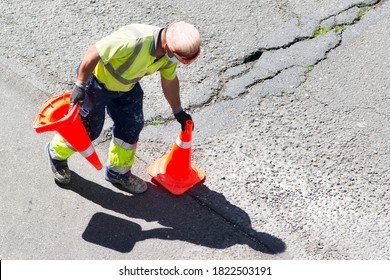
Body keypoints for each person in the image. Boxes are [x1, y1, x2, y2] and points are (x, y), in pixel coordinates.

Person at [47, 20, 201, 194]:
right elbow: (93, 52)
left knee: (131, 126)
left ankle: (118, 173)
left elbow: (169, 80)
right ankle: (56, 154)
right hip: (95, 83)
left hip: (127, 86)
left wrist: (178, 111)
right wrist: (80, 85)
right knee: (87, 130)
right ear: (168, 46)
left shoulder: (168, 53)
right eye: (179, 58)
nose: (177, 62)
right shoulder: (133, 40)